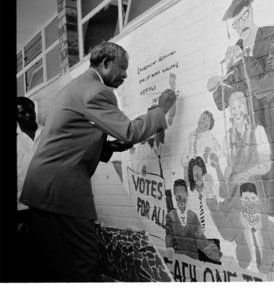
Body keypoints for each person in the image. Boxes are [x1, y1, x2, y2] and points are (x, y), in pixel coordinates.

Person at [20, 41, 177, 282]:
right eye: (122, 68)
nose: (125, 74)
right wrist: (161, 110)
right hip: (61, 191)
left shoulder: (77, 86)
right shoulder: (97, 91)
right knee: (84, 259)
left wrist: (107, 147)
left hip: (43, 189)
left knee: (54, 262)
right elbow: (129, 132)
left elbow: (69, 136)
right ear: (105, 64)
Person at [207, 0, 274, 217]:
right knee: (258, 205)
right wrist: (217, 86)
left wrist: (243, 62)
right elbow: (227, 100)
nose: (241, 24)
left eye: (244, 16)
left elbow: (269, 88)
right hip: (253, 142)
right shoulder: (237, 52)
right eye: (235, 23)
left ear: (251, 12)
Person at [206, 181, 274, 280]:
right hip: (244, 273)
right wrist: (212, 202)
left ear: (258, 201)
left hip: (263, 275)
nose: (250, 203)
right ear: (241, 201)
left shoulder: (268, 225)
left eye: (253, 198)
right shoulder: (237, 219)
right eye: (246, 199)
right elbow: (227, 234)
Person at [15, 96, 43, 282]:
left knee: (50, 254)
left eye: (30, 111)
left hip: (49, 207)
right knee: (27, 258)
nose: (27, 115)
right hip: (22, 210)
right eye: (21, 113)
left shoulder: (47, 134)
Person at [165, 179, 221, 262]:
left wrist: (216, 255)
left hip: (193, 262)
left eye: (183, 193)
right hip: (178, 263)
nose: (180, 196)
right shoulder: (171, 216)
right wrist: (170, 256)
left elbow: (201, 240)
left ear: (187, 194)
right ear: (175, 195)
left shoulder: (193, 216)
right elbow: (169, 239)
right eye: (177, 193)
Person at [181, 110, 221, 181]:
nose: (203, 123)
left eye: (206, 125)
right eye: (203, 118)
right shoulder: (191, 135)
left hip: (203, 171)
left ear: (208, 128)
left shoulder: (209, 136)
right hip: (191, 170)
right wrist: (185, 167)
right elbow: (185, 153)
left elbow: (218, 151)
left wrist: (211, 152)